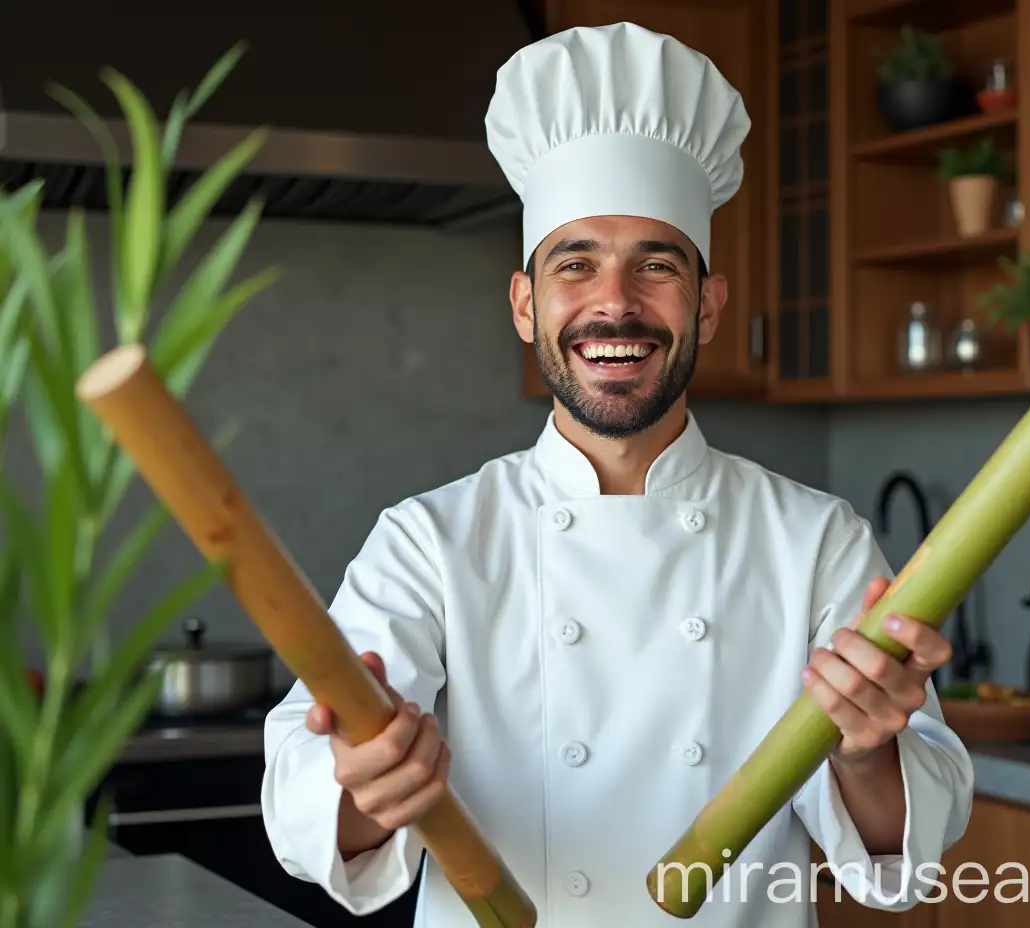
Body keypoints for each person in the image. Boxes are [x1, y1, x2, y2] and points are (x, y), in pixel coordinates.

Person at [261, 20, 974, 927]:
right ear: (526, 305)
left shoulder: (816, 540)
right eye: (576, 263)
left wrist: (870, 748)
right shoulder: (430, 542)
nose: (615, 302)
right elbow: (308, 804)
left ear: (708, 305)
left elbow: (903, 850)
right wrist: (370, 779)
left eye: (657, 264)